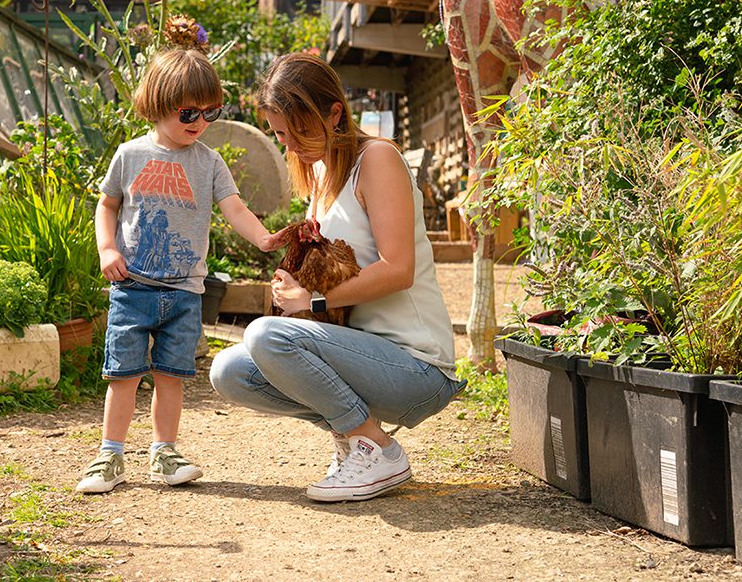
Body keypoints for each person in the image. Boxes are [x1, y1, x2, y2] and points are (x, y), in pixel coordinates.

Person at [209, 52, 462, 502]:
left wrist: (314, 301)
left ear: (334, 114)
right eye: (280, 134)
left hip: (416, 366)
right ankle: (352, 437)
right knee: (230, 371)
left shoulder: (377, 159)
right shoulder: (323, 174)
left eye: (298, 130)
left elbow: (398, 269)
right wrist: (296, 284)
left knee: (266, 335)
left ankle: (378, 450)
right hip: (359, 357)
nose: (290, 145)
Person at [75, 48, 281, 494]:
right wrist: (107, 248)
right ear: (157, 103)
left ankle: (164, 452)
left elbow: (235, 208)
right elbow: (107, 205)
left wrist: (264, 239)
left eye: (210, 112)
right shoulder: (130, 155)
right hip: (132, 286)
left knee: (172, 376)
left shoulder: (209, 162)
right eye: (189, 112)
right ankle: (110, 454)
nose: (199, 122)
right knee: (123, 375)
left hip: (186, 292)